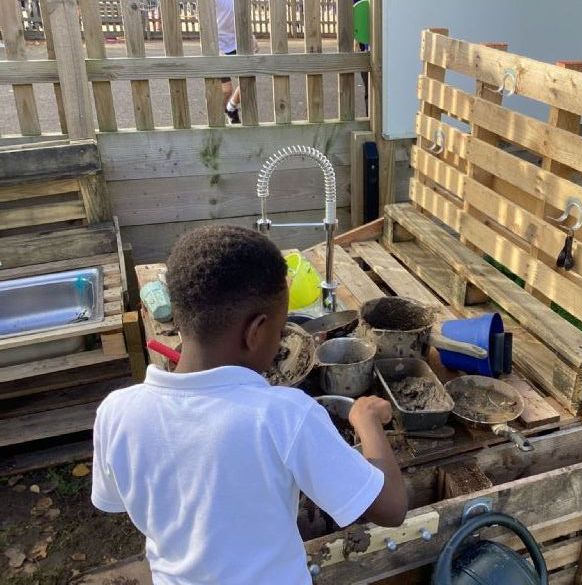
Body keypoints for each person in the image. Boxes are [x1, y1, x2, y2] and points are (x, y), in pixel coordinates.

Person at [91, 226, 407, 583]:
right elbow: (391, 507)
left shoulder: (115, 412)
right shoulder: (284, 415)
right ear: (255, 331)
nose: (280, 340)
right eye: (280, 329)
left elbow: (124, 499)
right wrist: (367, 420)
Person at [216, 0, 242, 124]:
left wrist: (251, 35)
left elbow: (243, 15)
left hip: (238, 43)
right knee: (226, 90)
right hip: (218, 44)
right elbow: (205, 21)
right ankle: (218, 117)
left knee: (246, 83)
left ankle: (231, 108)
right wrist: (215, 49)